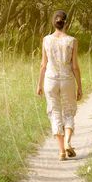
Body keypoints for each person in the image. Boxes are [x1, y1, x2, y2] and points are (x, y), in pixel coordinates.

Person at [36, 10, 83, 160]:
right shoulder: (72, 41)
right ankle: (68, 142)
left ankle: (61, 151)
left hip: (50, 81)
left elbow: (43, 65)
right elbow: (75, 66)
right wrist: (80, 86)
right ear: (66, 23)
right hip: (67, 80)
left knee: (55, 113)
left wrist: (39, 84)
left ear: (53, 23)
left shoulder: (46, 40)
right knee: (69, 112)